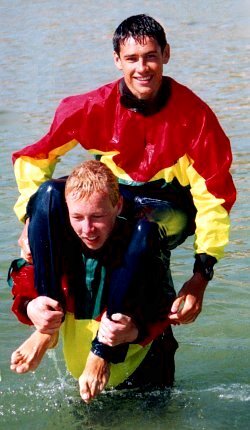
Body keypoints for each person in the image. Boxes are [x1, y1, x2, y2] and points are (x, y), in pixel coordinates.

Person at [12, 15, 236, 347]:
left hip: (169, 208)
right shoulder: (90, 107)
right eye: (131, 58)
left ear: (166, 55)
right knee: (48, 196)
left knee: (137, 222)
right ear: (117, 60)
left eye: (150, 56)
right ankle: (46, 315)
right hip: (119, 197)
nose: (142, 68)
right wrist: (31, 220)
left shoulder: (196, 117)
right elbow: (34, 159)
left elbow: (214, 199)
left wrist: (200, 276)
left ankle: (106, 347)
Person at [9, 160, 178, 403]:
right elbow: (21, 278)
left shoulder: (140, 244)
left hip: (144, 374)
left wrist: (134, 331)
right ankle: (46, 332)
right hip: (84, 383)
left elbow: (164, 305)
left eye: (97, 216)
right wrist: (30, 307)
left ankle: (102, 351)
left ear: (118, 206)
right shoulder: (58, 239)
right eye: (77, 217)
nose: (87, 229)